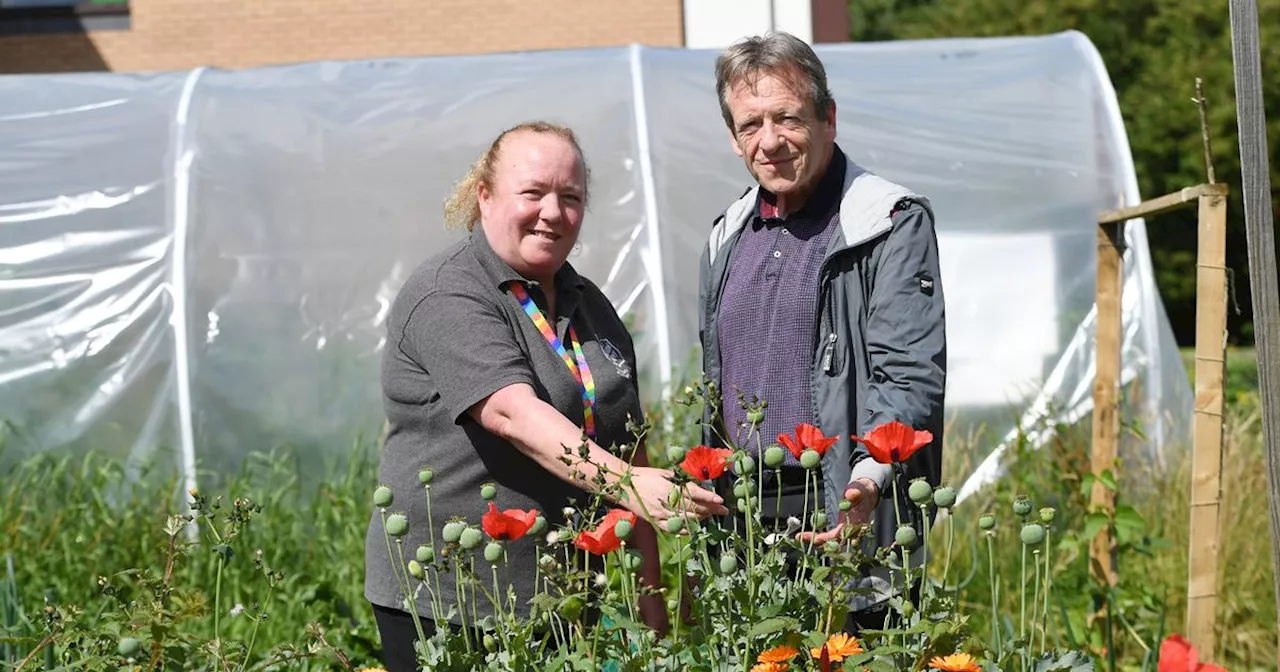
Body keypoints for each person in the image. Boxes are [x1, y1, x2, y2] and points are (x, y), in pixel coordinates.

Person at [365, 121, 728, 672]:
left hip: (565, 593)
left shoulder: (588, 303)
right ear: (484, 197)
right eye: (532, 192)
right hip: (456, 597)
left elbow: (632, 447)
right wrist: (628, 484)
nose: (553, 213)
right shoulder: (450, 292)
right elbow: (514, 413)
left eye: (571, 197)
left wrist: (650, 600)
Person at [696, 32, 947, 631]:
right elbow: (713, 386)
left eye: (788, 117)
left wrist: (867, 481)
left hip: (845, 507)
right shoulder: (725, 235)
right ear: (734, 139)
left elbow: (909, 373)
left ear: (828, 118)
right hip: (747, 524)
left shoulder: (886, 223)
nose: (771, 141)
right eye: (751, 124)